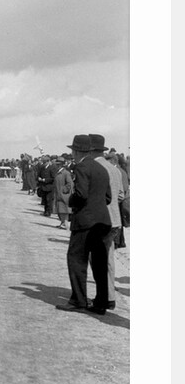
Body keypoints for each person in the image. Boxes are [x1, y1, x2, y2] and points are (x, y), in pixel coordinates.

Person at [58, 134, 112, 314]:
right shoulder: (101, 168)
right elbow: (108, 197)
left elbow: (80, 194)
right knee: (99, 263)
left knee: (76, 260)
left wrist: (70, 200)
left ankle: (78, 300)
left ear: (75, 151)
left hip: (85, 222)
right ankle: (101, 303)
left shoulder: (81, 167)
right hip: (103, 222)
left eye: (72, 151)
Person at [96, 144, 126, 308]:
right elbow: (121, 195)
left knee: (97, 260)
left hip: (99, 219)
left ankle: (102, 298)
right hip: (114, 219)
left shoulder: (96, 168)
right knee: (108, 259)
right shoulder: (116, 170)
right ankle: (110, 296)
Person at [52, 155, 74, 229]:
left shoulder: (66, 173)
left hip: (64, 195)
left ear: (61, 165)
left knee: (64, 210)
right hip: (58, 194)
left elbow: (70, 184)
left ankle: (65, 224)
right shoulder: (57, 172)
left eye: (58, 164)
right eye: (56, 164)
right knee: (60, 210)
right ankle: (62, 222)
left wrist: (63, 190)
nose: (57, 166)